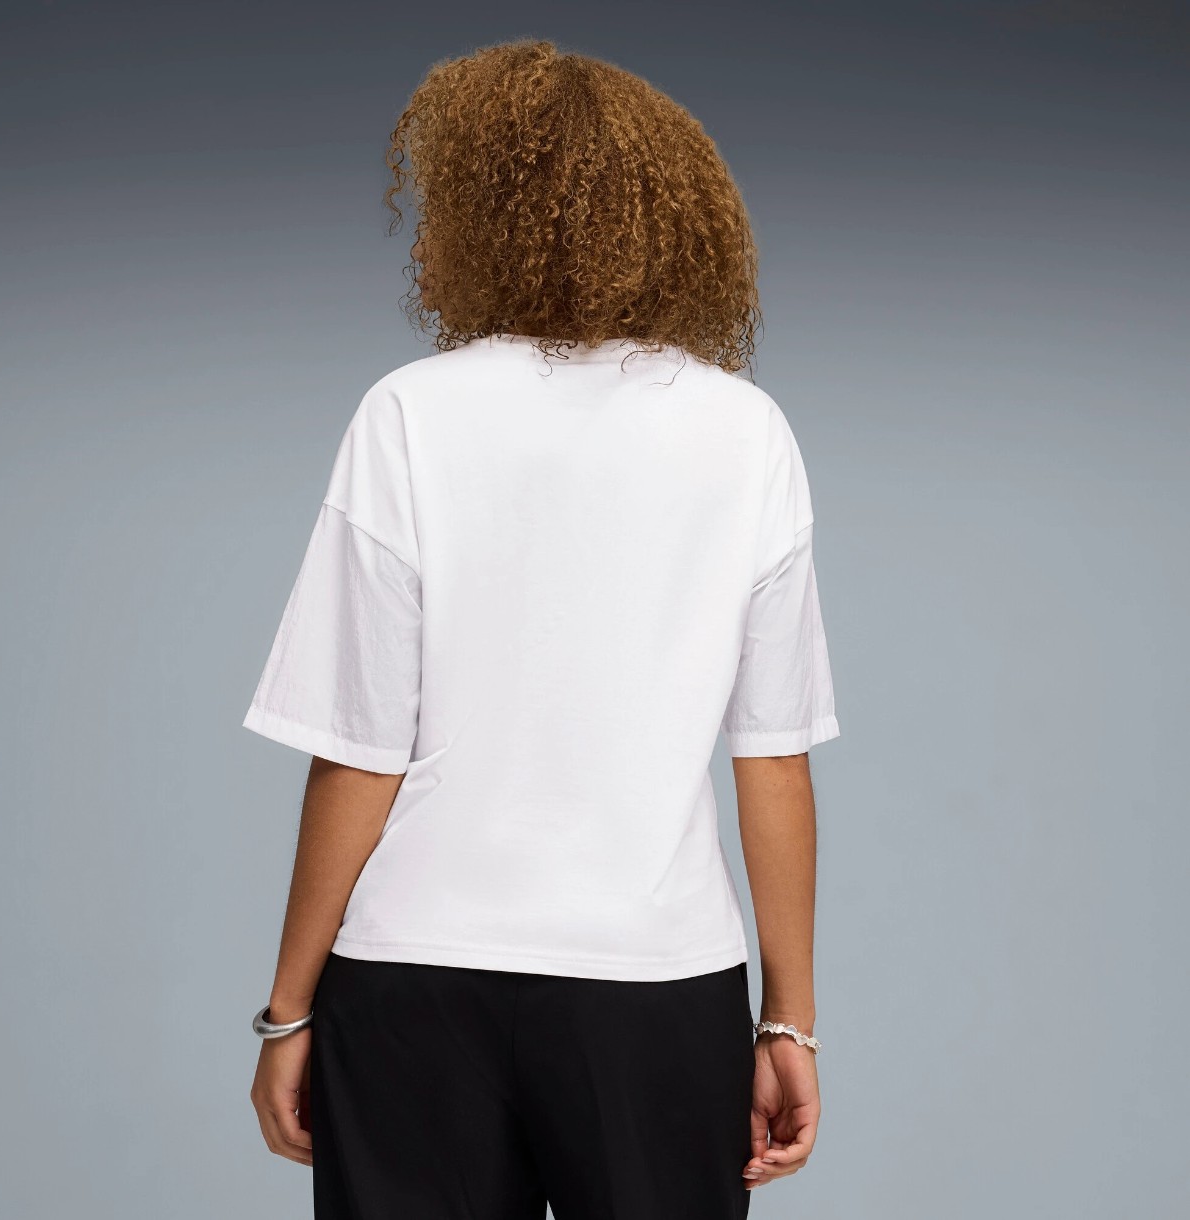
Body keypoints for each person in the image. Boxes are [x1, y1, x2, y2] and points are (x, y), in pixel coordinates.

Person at [242, 37, 840, 1220]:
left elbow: (359, 747)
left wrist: (288, 1010)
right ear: (674, 215)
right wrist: (788, 1022)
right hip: (657, 983)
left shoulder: (409, 413)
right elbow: (772, 755)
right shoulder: (745, 430)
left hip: (413, 980)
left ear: (472, 213)